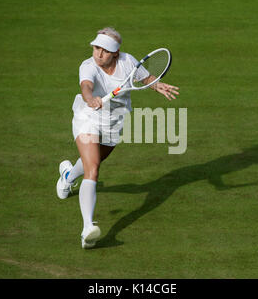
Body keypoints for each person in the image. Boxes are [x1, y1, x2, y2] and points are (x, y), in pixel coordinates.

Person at [56, 27, 179, 249]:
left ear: (115, 52)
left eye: (104, 50)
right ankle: (87, 229)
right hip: (88, 118)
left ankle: (67, 175)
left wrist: (157, 85)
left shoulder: (128, 62)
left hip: (115, 122)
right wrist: (90, 98)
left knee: (91, 163)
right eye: (96, 48)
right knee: (93, 168)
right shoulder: (88, 66)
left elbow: (145, 78)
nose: (98, 53)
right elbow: (86, 86)